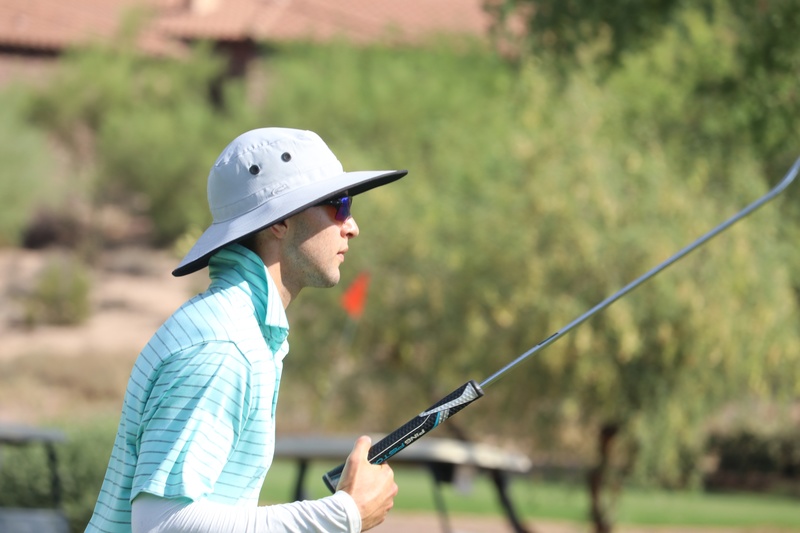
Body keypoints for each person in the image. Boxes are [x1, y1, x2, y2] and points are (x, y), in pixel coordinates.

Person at [86, 127, 408, 533]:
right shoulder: (224, 344)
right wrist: (341, 515)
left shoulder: (242, 330)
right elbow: (161, 524)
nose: (352, 226)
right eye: (339, 204)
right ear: (281, 221)